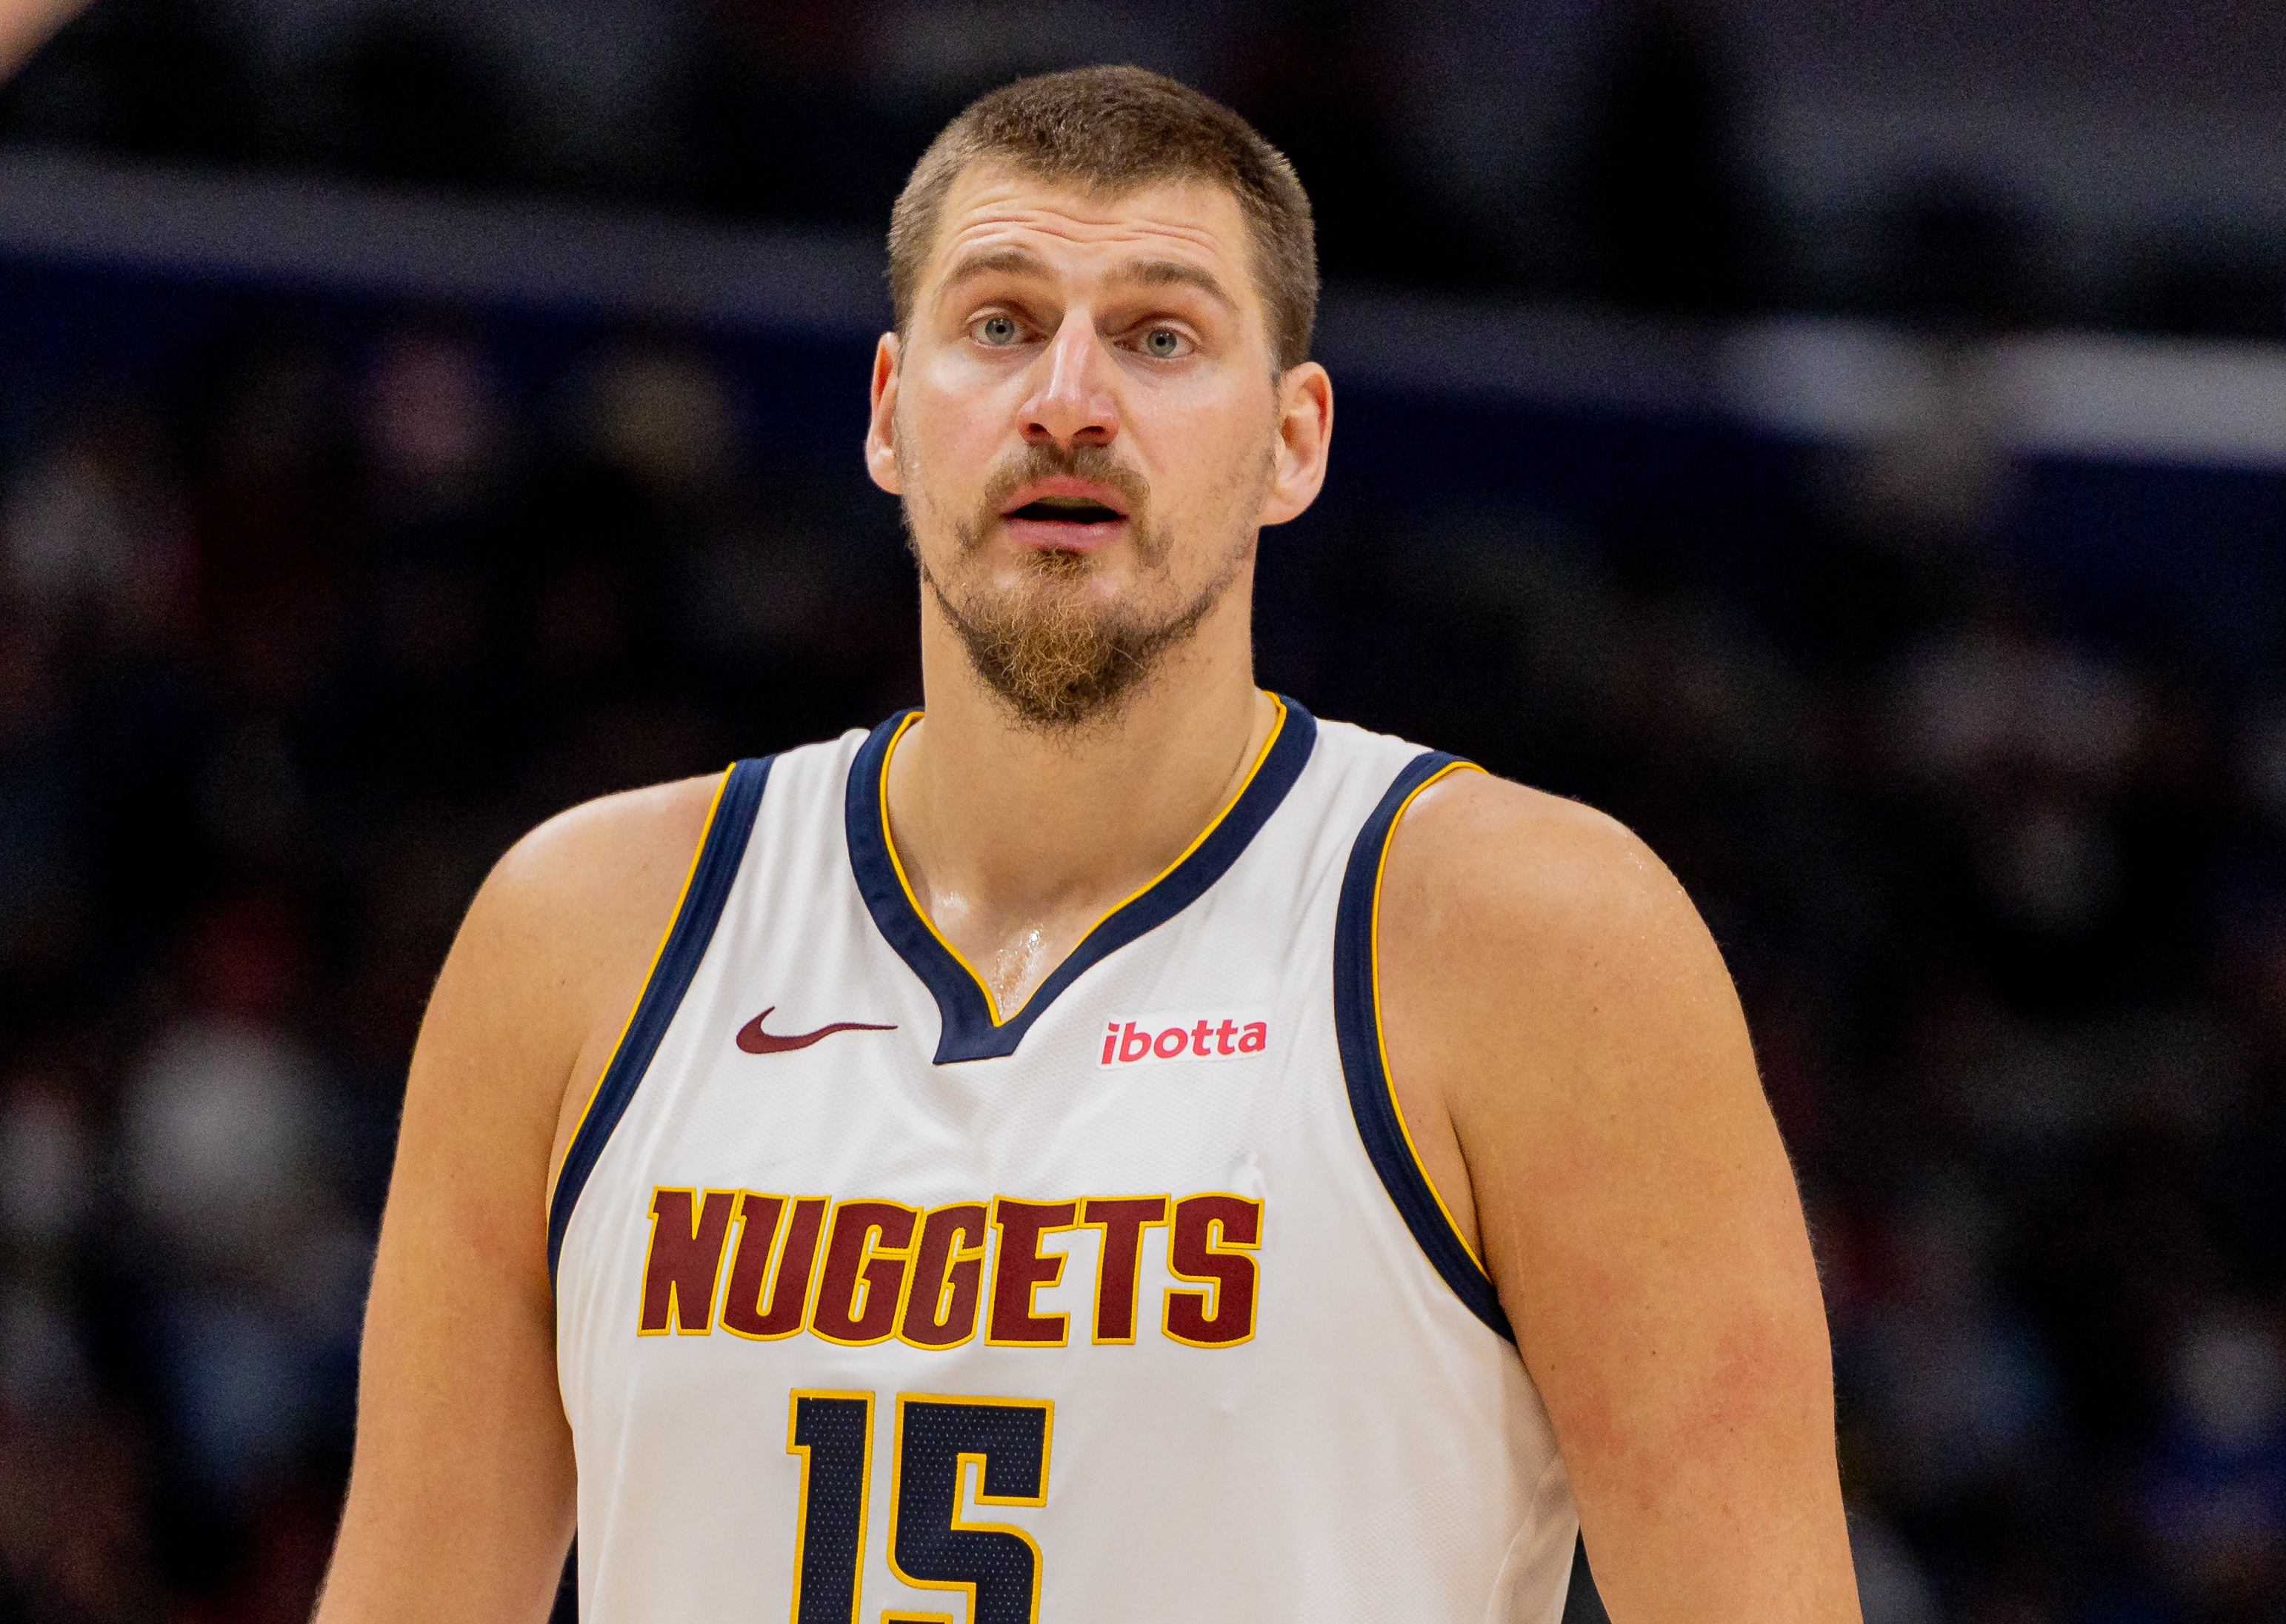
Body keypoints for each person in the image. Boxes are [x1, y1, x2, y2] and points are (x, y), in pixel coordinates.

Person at [314, 65, 1859, 1624]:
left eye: (1159, 336)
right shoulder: (581, 934)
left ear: (1293, 440)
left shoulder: (1536, 944)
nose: (1066, 399)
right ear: (887, 413)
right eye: (999, 324)